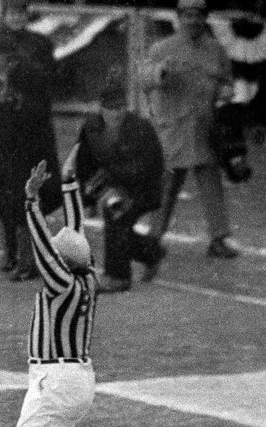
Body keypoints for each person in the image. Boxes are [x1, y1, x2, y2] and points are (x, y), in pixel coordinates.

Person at [12, 148, 102, 427]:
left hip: (56, 379)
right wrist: (68, 184)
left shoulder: (60, 284)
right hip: (76, 378)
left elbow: (45, 249)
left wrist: (31, 201)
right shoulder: (88, 278)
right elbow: (75, 230)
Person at [0, 0, 62, 279]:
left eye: (21, 11)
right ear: (4, 13)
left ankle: (26, 259)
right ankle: (9, 252)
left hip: (28, 131)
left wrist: (23, 76)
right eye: (12, 11)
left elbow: (50, 83)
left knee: (26, 196)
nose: (17, 17)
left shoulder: (40, 44)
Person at [139, 0, 239, 263]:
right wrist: (160, 71)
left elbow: (226, 81)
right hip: (174, 128)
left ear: (205, 18)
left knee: (211, 184)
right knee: (167, 186)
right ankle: (153, 238)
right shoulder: (163, 48)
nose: (193, 20)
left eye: (198, 15)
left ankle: (218, 238)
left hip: (205, 128)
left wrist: (226, 91)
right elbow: (144, 77)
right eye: (188, 15)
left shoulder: (216, 50)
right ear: (179, 18)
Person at [75, 70, 166, 292]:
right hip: (110, 184)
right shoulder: (91, 129)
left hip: (141, 186)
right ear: (102, 108)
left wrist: (116, 183)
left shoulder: (139, 128)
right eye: (112, 108)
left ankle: (118, 276)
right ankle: (150, 251)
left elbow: (148, 167)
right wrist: (88, 199)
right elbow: (84, 165)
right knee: (117, 217)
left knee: (117, 215)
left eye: (121, 107)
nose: (117, 112)